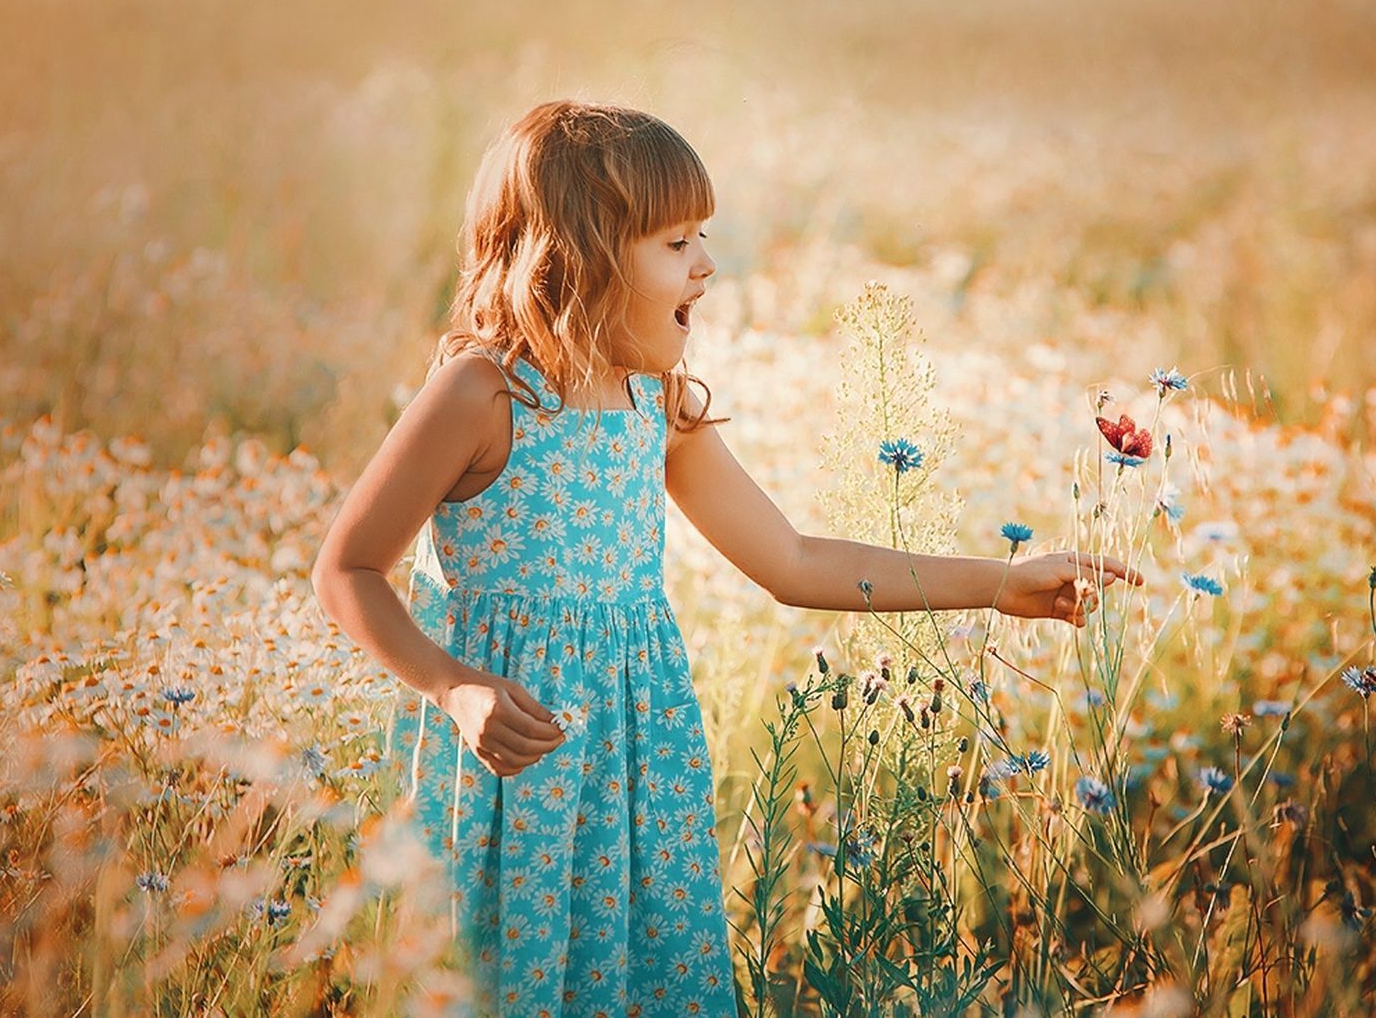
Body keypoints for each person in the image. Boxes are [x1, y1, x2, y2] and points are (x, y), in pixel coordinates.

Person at [309, 99, 1140, 1016]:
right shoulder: (482, 392)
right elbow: (347, 567)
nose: (706, 263)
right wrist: (453, 686)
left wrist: (997, 583)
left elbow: (791, 559)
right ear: (578, 257)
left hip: (640, 774)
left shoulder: (654, 404)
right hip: (509, 781)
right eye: (674, 243)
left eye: (702, 236)